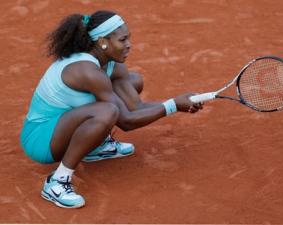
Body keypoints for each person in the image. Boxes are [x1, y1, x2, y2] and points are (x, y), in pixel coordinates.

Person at [20, 10, 204, 209]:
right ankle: (57, 182)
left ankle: (95, 146)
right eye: (122, 40)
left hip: (63, 126)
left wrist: (176, 103)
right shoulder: (87, 71)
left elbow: (136, 108)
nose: (129, 45)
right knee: (107, 111)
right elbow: (127, 121)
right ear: (102, 42)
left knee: (133, 81)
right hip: (40, 140)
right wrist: (174, 105)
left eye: (128, 38)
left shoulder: (111, 67)